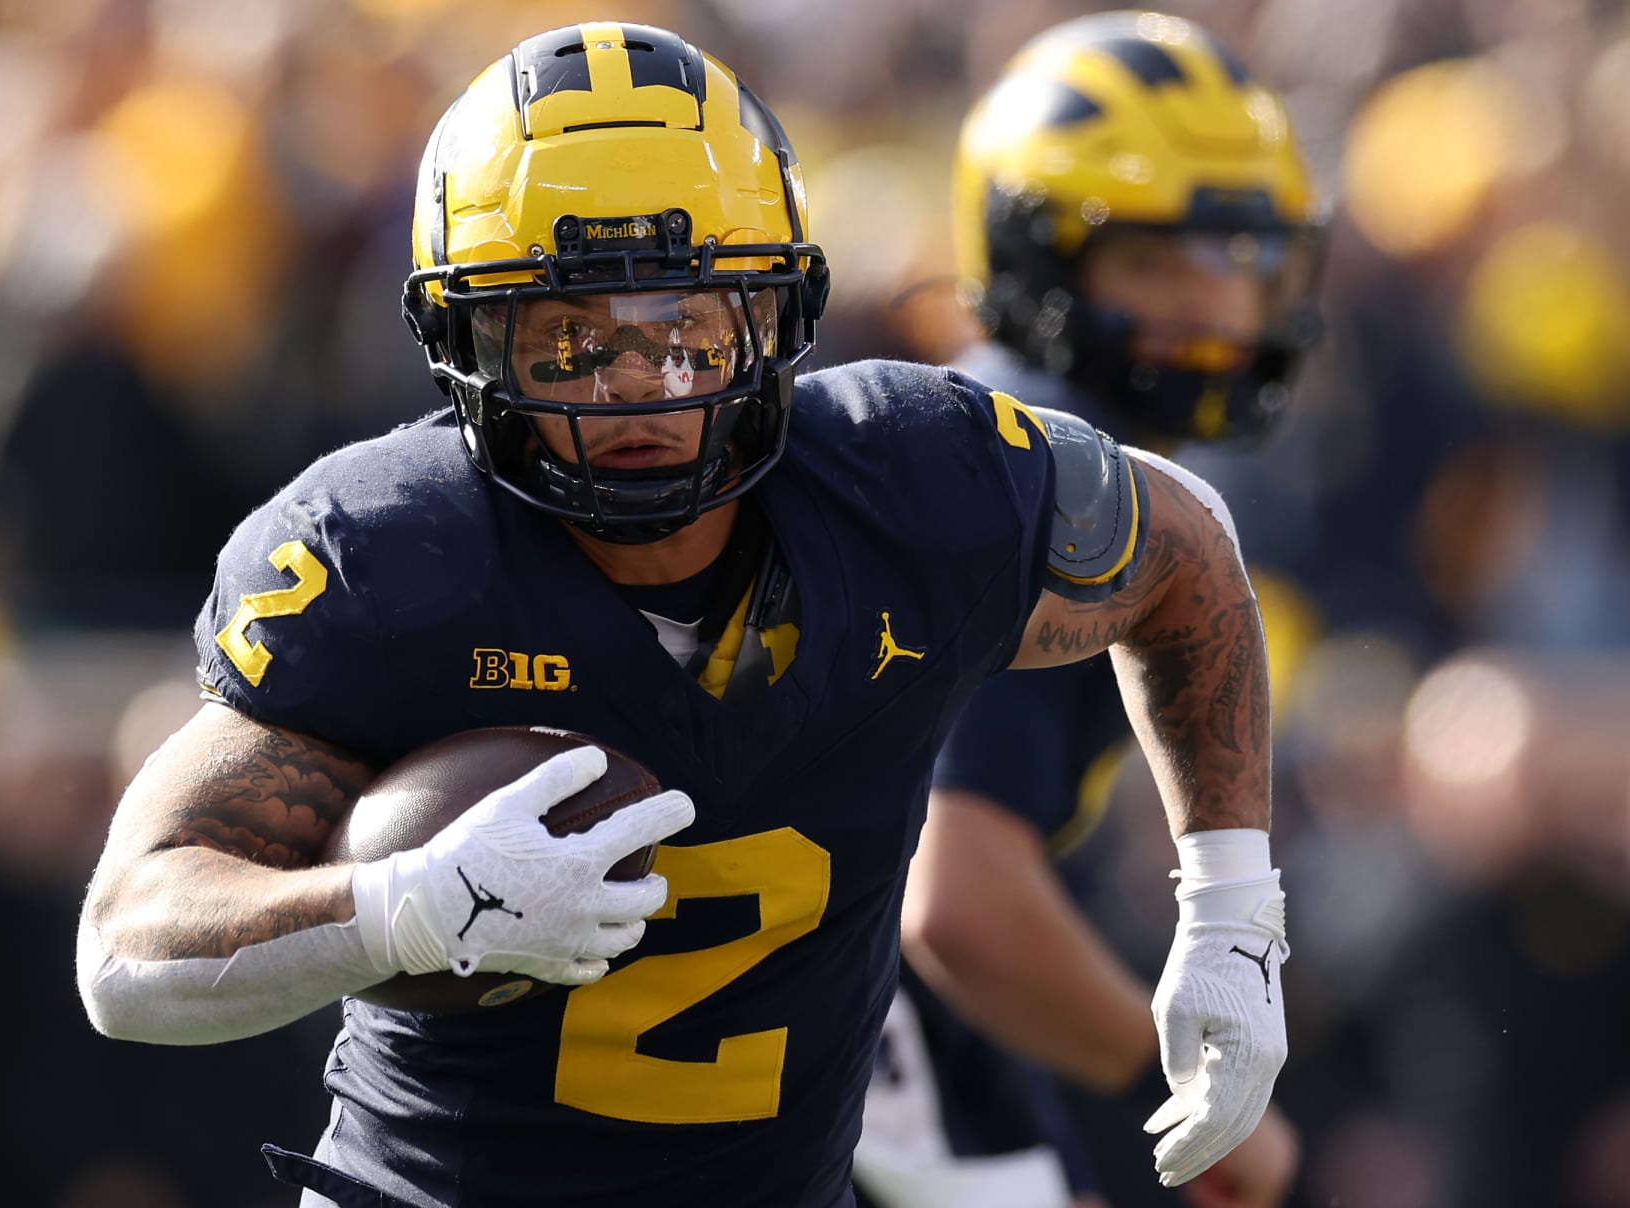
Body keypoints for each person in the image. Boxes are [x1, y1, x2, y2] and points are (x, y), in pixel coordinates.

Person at [77, 21, 1292, 1208]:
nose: (642, 388)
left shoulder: (913, 481)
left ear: (777, 317)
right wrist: (402, 909)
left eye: (690, 327)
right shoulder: (391, 553)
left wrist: (1232, 910)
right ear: (467, 339)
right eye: (570, 340)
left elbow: (1186, 550)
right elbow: (126, 947)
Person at [854, 14, 1321, 1208]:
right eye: (1159, 260)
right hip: (842, 1018)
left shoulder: (987, 422)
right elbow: (958, 901)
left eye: (1240, 256)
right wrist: (1181, 1078)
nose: (1217, 303)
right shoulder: (1058, 484)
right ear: (1039, 264)